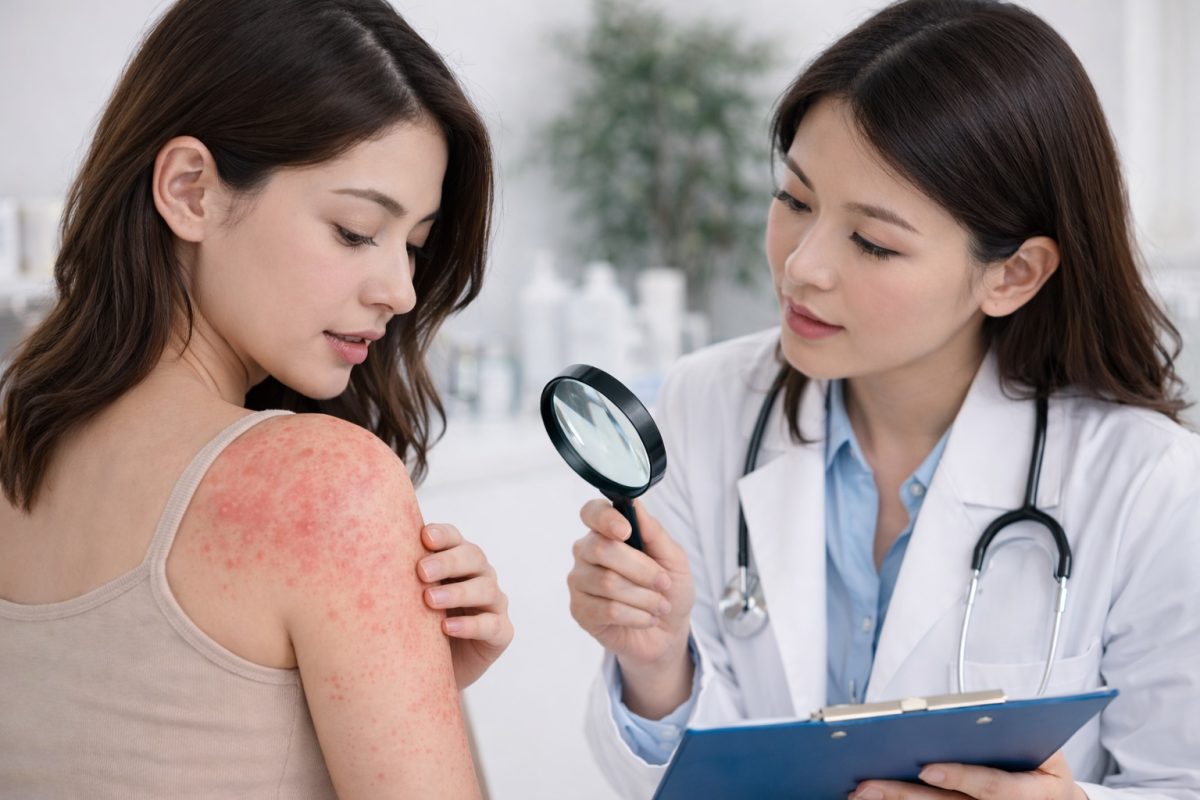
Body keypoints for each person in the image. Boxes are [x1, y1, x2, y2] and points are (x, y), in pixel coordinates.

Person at [566, 0, 1200, 797]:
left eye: (873, 241)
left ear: (1013, 274)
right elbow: (692, 770)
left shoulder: (1150, 484)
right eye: (794, 200)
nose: (802, 266)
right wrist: (657, 663)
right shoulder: (708, 404)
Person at [0, 0, 512, 797]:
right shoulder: (323, 484)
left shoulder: (12, 435)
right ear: (190, 190)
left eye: (414, 245)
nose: (402, 291)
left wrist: (405, 686)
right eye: (354, 230)